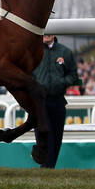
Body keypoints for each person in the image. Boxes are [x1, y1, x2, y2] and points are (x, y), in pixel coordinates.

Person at [32, 33, 80, 168]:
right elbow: (27, 72)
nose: (47, 34)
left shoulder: (65, 52)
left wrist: (61, 82)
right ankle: (46, 167)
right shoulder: (33, 51)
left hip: (58, 100)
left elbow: (73, 75)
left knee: (57, 137)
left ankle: (50, 167)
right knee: (44, 135)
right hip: (39, 102)